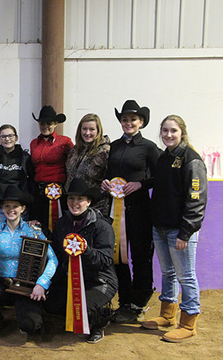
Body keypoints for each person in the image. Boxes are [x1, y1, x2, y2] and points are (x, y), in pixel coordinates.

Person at [142, 115, 207, 342]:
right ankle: (167, 315)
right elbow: (158, 184)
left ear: (182, 132)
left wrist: (186, 232)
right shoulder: (164, 158)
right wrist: (139, 184)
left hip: (179, 231)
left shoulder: (192, 159)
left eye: (173, 131)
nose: (168, 135)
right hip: (160, 227)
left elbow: (196, 200)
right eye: (165, 131)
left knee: (186, 276)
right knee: (167, 273)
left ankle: (188, 323)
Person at [101, 100, 160, 323]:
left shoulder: (149, 148)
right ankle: (124, 300)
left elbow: (159, 176)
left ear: (141, 122)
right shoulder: (114, 146)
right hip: (116, 211)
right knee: (118, 257)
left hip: (140, 210)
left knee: (140, 256)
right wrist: (105, 182)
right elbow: (109, 171)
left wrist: (141, 184)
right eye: (124, 119)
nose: (128, 123)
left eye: (132, 119)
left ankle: (139, 303)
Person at [48, 179, 118, 343]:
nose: (75, 203)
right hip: (71, 279)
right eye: (71, 199)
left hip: (100, 280)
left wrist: (86, 250)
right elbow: (56, 252)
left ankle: (100, 321)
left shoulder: (102, 226)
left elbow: (106, 260)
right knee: (50, 305)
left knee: (82, 309)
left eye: (80, 199)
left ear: (89, 202)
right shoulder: (61, 224)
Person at [0, 185, 57, 339]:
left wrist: (41, 284)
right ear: (2, 208)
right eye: (7, 206)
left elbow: (53, 260)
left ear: (23, 208)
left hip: (25, 285)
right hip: (0, 283)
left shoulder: (34, 231)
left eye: (15, 206)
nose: (11, 210)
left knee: (30, 325)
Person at [0, 124, 35, 229]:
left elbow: (33, 179)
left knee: (20, 238)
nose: (7, 139)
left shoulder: (25, 157)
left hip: (20, 206)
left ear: (16, 138)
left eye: (10, 136)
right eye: (3, 137)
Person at [30, 105, 74, 233]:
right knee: (39, 225)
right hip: (38, 191)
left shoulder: (65, 142)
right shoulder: (33, 143)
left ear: (55, 124)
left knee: (58, 226)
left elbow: (72, 163)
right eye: (42, 123)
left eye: (49, 123)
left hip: (57, 191)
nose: (45, 126)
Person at [65, 114, 111, 216]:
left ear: (98, 131)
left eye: (92, 129)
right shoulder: (74, 150)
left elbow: (110, 179)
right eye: (84, 129)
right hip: (74, 206)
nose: (87, 133)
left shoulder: (106, 151)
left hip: (96, 206)